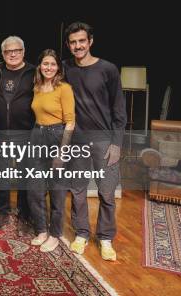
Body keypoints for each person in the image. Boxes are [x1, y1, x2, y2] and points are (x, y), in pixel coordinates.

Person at [63, 22, 126, 261]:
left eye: (81, 41)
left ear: (90, 41)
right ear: (68, 45)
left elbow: (119, 109)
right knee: (78, 190)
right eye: (73, 42)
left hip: (104, 140)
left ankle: (106, 238)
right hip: (77, 140)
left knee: (106, 192)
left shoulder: (108, 69)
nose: (77, 46)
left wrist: (117, 143)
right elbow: (40, 72)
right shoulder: (66, 68)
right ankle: (81, 233)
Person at [27, 49, 75, 252]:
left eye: (52, 64)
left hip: (57, 135)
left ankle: (55, 234)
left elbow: (71, 122)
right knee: (34, 187)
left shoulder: (64, 88)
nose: (48, 68)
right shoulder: (37, 87)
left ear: (58, 68)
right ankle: (41, 230)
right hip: (37, 134)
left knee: (57, 189)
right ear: (40, 66)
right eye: (45, 64)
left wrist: (62, 151)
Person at [0, 36, 35, 231]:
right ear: (3, 54)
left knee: (25, 175)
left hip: (26, 132)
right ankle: (3, 213)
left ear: (23, 52)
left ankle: (24, 214)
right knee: (2, 174)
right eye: (8, 51)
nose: (13, 54)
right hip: (2, 132)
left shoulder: (34, 73)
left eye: (17, 50)